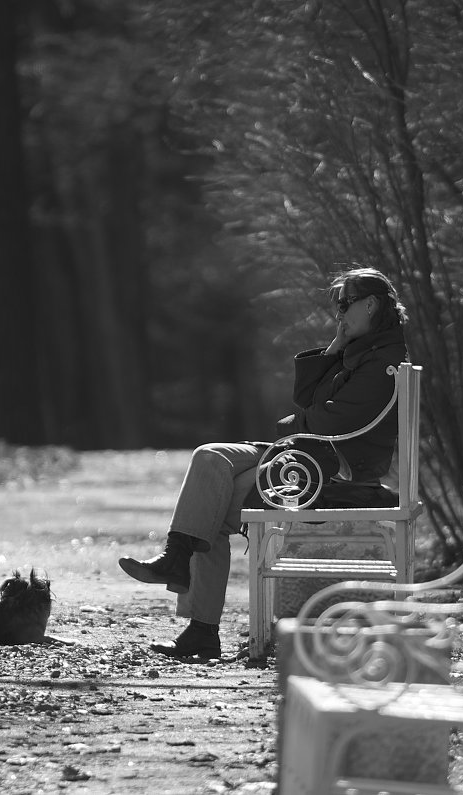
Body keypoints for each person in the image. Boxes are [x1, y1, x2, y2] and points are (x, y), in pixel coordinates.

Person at [119, 266, 409, 660]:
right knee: (210, 456)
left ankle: (201, 627)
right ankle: (176, 557)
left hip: (327, 469)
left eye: (345, 304)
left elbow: (330, 421)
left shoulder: (383, 362)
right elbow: (307, 398)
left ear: (371, 305)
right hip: (302, 453)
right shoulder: (357, 352)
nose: (338, 313)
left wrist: (296, 423)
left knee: (213, 507)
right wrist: (335, 346)